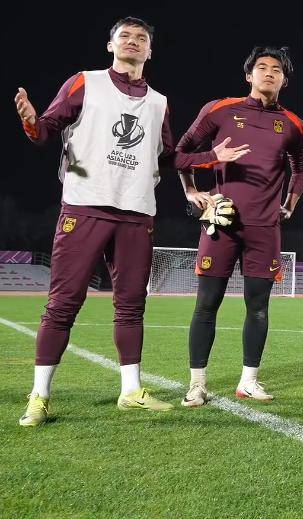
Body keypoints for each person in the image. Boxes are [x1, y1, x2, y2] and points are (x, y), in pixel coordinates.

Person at [16, 16, 249, 426]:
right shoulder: (85, 82)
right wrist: (31, 122)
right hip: (85, 206)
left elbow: (168, 156)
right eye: (124, 36)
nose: (133, 41)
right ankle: (40, 396)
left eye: (141, 38)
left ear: (150, 50)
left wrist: (212, 157)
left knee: (131, 305)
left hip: (137, 212)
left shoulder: (158, 102)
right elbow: (46, 130)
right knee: (63, 303)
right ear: (110, 45)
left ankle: (131, 391)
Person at [175, 46, 303, 406]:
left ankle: (249, 381)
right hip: (222, 223)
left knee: (259, 306)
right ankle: (197, 384)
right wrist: (193, 187)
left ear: (284, 80)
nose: (269, 73)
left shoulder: (293, 124)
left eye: (277, 69)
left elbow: (300, 170)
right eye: (262, 67)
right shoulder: (220, 110)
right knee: (206, 304)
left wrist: (290, 204)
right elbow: (179, 154)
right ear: (249, 75)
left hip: (265, 228)